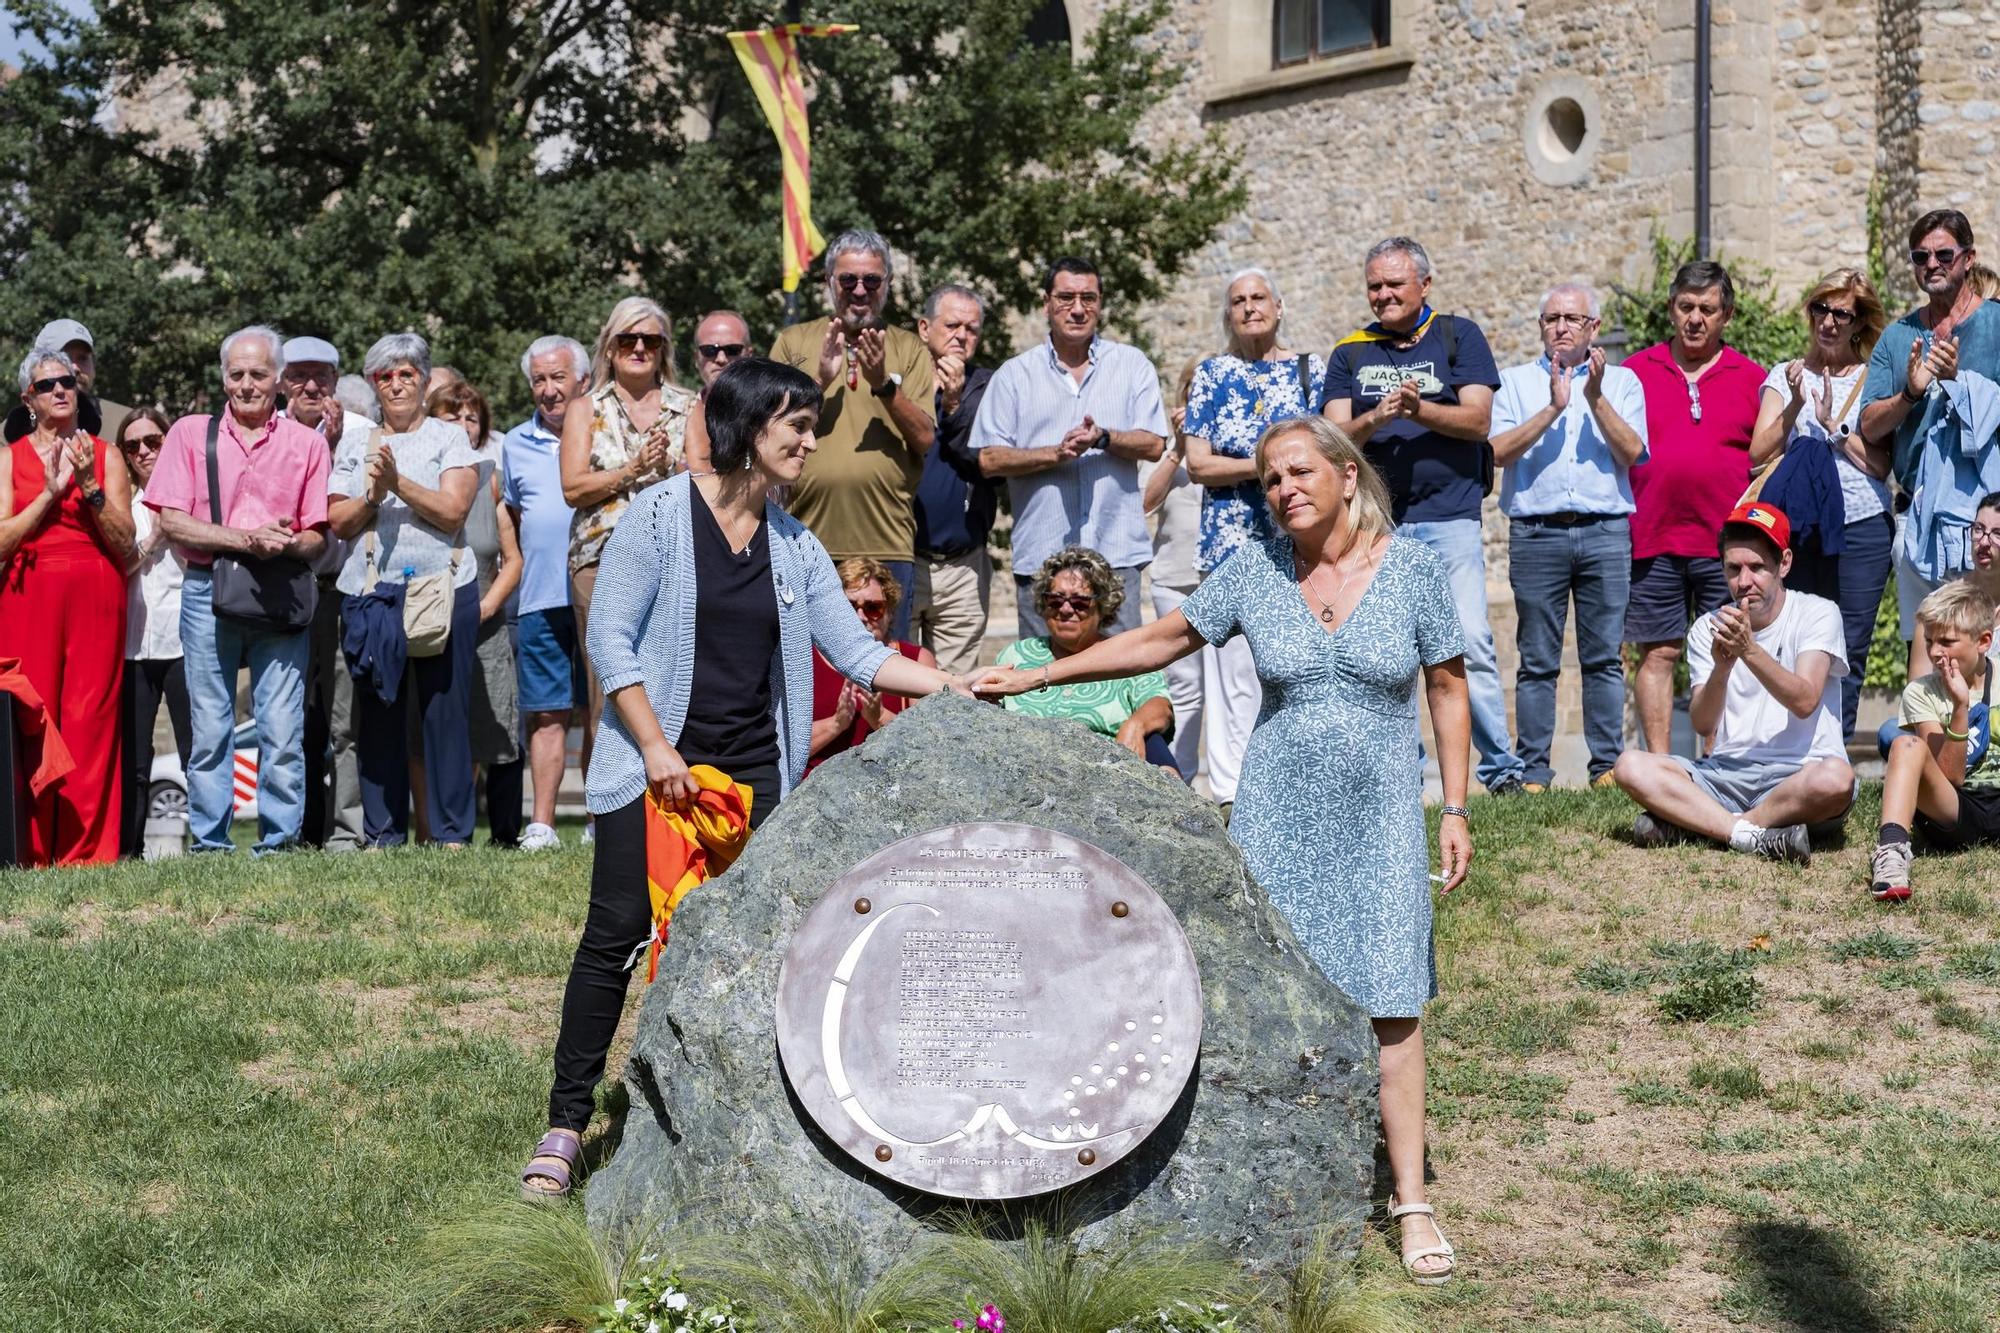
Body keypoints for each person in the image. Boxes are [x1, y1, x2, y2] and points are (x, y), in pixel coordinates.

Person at [973, 416, 1473, 1286]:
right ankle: (1274, 1174)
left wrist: (1456, 806)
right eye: (1272, 477)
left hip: (1382, 813)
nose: (1283, 488)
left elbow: (1447, 685)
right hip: (1276, 813)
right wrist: (1038, 674)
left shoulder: (1416, 569)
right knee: (1268, 995)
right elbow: (1162, 641)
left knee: (1393, 997)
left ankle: (1409, 1197)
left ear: (1347, 475)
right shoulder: (1253, 569)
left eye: (1299, 471)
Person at [520, 357, 965, 1199]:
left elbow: (860, 652)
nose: (809, 438)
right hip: (653, 772)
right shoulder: (655, 518)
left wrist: (955, 683)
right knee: (615, 935)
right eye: (794, 423)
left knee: (757, 950)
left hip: (756, 781)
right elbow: (610, 641)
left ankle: (734, 1115)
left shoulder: (797, 546)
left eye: (810, 423)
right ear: (745, 428)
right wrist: (655, 748)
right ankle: (566, 1123)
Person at [1318, 236, 1524, 795]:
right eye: (1374, 286)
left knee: (1470, 641)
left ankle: (1500, 770)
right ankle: (1400, 775)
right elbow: (1334, 436)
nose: (1382, 295)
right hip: (1377, 523)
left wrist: (1420, 409)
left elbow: (1479, 420)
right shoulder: (1351, 353)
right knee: (1385, 651)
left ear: (1424, 286)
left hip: (1451, 517)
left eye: (1393, 284)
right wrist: (1378, 419)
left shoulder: (1458, 335)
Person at [146, 326, 329, 854]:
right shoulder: (189, 433)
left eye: (258, 374)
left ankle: (278, 844)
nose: (246, 385)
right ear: (224, 377)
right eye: (236, 374)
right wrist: (245, 539)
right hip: (208, 588)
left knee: (280, 726)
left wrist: (285, 543)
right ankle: (209, 845)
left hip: (282, 589)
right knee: (210, 725)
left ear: (280, 381)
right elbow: (174, 523)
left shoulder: (306, 443)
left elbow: (317, 536)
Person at [1611, 502, 1856, 862]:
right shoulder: (1706, 628)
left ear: (1783, 564)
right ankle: (1752, 834)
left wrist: (1749, 652)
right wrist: (1722, 669)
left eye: (1757, 568)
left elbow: (1805, 701)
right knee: (1630, 765)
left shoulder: (1817, 612)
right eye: (1733, 569)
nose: (1744, 582)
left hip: (1799, 776)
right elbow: (1702, 723)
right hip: (1724, 775)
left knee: (1837, 779)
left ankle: (1707, 825)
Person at [1490, 282, 1649, 790]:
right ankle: (1534, 772)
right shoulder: (1513, 383)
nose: (1560, 327)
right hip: (1537, 533)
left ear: (1593, 328)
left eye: (1572, 318)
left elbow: (1632, 452)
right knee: (1537, 660)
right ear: (1540, 326)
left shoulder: (1623, 382)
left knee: (1603, 656)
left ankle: (1606, 768)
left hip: (1604, 532)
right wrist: (1553, 409)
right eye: (1551, 318)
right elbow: (1497, 451)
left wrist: (1593, 398)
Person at [325, 333, 481, 848]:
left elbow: (454, 511)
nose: (396, 384)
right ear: (374, 385)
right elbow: (339, 521)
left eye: (406, 374)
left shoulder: (449, 437)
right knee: (379, 719)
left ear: (422, 378)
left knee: (445, 716)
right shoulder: (355, 441)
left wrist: (398, 484)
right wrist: (372, 493)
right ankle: (383, 835)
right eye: (384, 376)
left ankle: (452, 835)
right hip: (372, 593)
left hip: (444, 588)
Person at [971, 257, 1169, 638]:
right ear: (1046, 302)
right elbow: (989, 458)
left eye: (1088, 298)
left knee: (1123, 680)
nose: (1078, 309)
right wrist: (1054, 454)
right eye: (1066, 298)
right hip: (1043, 557)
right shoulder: (1015, 375)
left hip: (1116, 555)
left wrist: (1105, 438)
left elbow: (1155, 443)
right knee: (1042, 685)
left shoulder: (1132, 366)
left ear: (1100, 302)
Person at [1186, 267, 1323, 805]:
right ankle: (1230, 794)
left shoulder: (1309, 371)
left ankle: (1295, 785)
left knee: (1298, 664)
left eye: (1258, 297)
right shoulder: (1213, 374)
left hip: (1300, 540)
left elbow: (1324, 454)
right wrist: (1268, 466)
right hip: (1230, 539)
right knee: (1231, 674)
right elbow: (1198, 463)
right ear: (1229, 314)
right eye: (1238, 301)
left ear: (1279, 305)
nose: (1249, 307)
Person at [562, 297, 696, 842]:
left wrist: (675, 467)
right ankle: (607, 817)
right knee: (609, 689)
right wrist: (633, 470)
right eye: (627, 340)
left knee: (675, 683)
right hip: (602, 559)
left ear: (665, 350)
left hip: (677, 557)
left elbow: (708, 472)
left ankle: (673, 805)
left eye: (651, 341)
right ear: (609, 348)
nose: (639, 349)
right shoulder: (585, 408)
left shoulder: (690, 405)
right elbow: (573, 488)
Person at [1622, 260, 1767, 755]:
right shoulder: (1634, 373)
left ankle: (1717, 763)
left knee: (1724, 652)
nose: (1695, 319)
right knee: (1659, 652)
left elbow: (1770, 458)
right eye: (1686, 307)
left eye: (1707, 309)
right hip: (1653, 535)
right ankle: (1661, 769)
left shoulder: (1753, 378)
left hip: (1725, 545)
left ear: (1726, 314)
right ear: (1671, 310)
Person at [0, 347, 135, 866]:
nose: (60, 389)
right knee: (33, 716)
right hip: (25, 596)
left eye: (67, 381)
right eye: (46, 384)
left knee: (89, 721)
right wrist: (50, 494)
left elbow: (126, 546)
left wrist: (89, 487)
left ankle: (85, 855)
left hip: (95, 596)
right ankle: (28, 849)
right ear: (27, 399)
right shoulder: (10, 458)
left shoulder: (106, 456)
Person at [770, 230, 938, 640]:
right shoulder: (794, 342)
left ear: (887, 285)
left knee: (889, 678)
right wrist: (819, 380)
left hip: (887, 542)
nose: (859, 290)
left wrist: (884, 384)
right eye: (848, 280)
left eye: (871, 281)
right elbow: (767, 429)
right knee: (807, 679)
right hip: (803, 539)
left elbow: (925, 439)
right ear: (830, 283)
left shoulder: (909, 348)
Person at [1750, 269, 1892, 740]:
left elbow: (1880, 466)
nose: (1828, 322)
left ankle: (1837, 756)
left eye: (1841, 313)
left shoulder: (1875, 379)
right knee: (1794, 640)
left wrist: (1833, 425)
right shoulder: (1783, 374)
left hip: (1861, 526)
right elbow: (1758, 453)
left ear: (1859, 323)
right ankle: (1786, 755)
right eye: (1820, 310)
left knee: (1848, 646)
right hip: (1798, 528)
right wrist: (1794, 405)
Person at [1860, 209, 2000, 678]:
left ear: (1968, 258)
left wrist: (1964, 384)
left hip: (1987, 525)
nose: (1932, 264)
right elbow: (1870, 425)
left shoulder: (1996, 326)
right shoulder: (1898, 338)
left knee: (1983, 652)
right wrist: (1911, 392)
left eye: (1944, 254)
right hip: (1918, 522)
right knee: (1924, 656)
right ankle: (1922, 748)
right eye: (1921, 256)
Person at [282, 334, 373, 851]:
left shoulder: (363, 433)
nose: (311, 385)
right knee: (287, 721)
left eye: (321, 375)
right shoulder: (270, 436)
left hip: (344, 591)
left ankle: (346, 834)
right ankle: (289, 831)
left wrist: (335, 448)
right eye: (299, 375)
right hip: (287, 588)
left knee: (345, 722)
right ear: (282, 383)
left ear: (337, 381)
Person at [430, 381, 524, 845]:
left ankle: (503, 834)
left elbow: (513, 559)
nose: (464, 426)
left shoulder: (490, 479)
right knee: (443, 731)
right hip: (429, 625)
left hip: (484, 623)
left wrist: (485, 606)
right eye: (453, 417)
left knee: (497, 730)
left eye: (472, 418)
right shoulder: (422, 478)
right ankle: (444, 832)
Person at [504, 335, 588, 851]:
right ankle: (543, 825)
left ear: (582, 380)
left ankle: (604, 821)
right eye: (539, 379)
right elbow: (514, 518)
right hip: (540, 598)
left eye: (558, 377)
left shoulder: (603, 433)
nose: (549, 389)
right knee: (547, 712)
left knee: (604, 710)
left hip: (601, 594)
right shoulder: (514, 442)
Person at [993, 545, 1179, 772]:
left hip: (1105, 770)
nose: (1066, 609)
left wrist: (1136, 725)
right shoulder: (1017, 655)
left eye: (1079, 602)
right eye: (1055, 600)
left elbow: (1160, 706)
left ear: (1103, 606)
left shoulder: (1124, 654)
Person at [1870, 581, 2000, 901]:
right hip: (1955, 807)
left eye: (1947, 641)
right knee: (1905, 745)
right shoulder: (1922, 691)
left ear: (1984, 641)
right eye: (1929, 641)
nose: (1934, 652)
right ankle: (1891, 854)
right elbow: (1950, 776)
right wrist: (1960, 708)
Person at [114, 407, 191, 859]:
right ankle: (129, 849)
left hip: (185, 640)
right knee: (135, 759)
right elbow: (115, 566)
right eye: (133, 445)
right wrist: (153, 539)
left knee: (194, 750)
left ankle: (207, 846)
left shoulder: (193, 496)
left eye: (153, 441)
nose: (144, 451)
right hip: (132, 644)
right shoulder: (122, 504)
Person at [911, 283, 999, 674]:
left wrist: (954, 403)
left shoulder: (991, 388)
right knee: (895, 684)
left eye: (972, 328)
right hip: (904, 558)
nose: (962, 335)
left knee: (957, 692)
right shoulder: (899, 388)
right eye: (952, 324)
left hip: (964, 563)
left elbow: (986, 459)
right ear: (924, 328)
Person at [807, 556, 934, 772]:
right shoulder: (806, 659)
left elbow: (930, 747)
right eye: (849, 606)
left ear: (890, 611)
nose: (861, 616)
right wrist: (835, 724)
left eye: (873, 608)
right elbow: (781, 749)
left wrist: (880, 718)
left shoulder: (915, 659)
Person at [1143, 361, 1206, 783]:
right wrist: (1178, 449)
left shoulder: (1236, 441)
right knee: (1184, 687)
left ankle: (1229, 786)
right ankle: (1176, 778)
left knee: (1230, 691)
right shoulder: (1169, 448)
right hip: (1173, 579)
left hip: (1221, 579)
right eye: (1193, 389)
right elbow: (1145, 501)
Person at [3, 318, 130, 444]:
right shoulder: (7, 440)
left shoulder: (127, 424)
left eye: (82, 358)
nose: (74, 368)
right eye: (64, 358)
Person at [682, 308, 752, 472]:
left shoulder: (771, 411)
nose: (721, 359)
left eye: (732, 350)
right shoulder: (677, 415)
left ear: (749, 355)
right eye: (710, 350)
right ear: (696, 358)